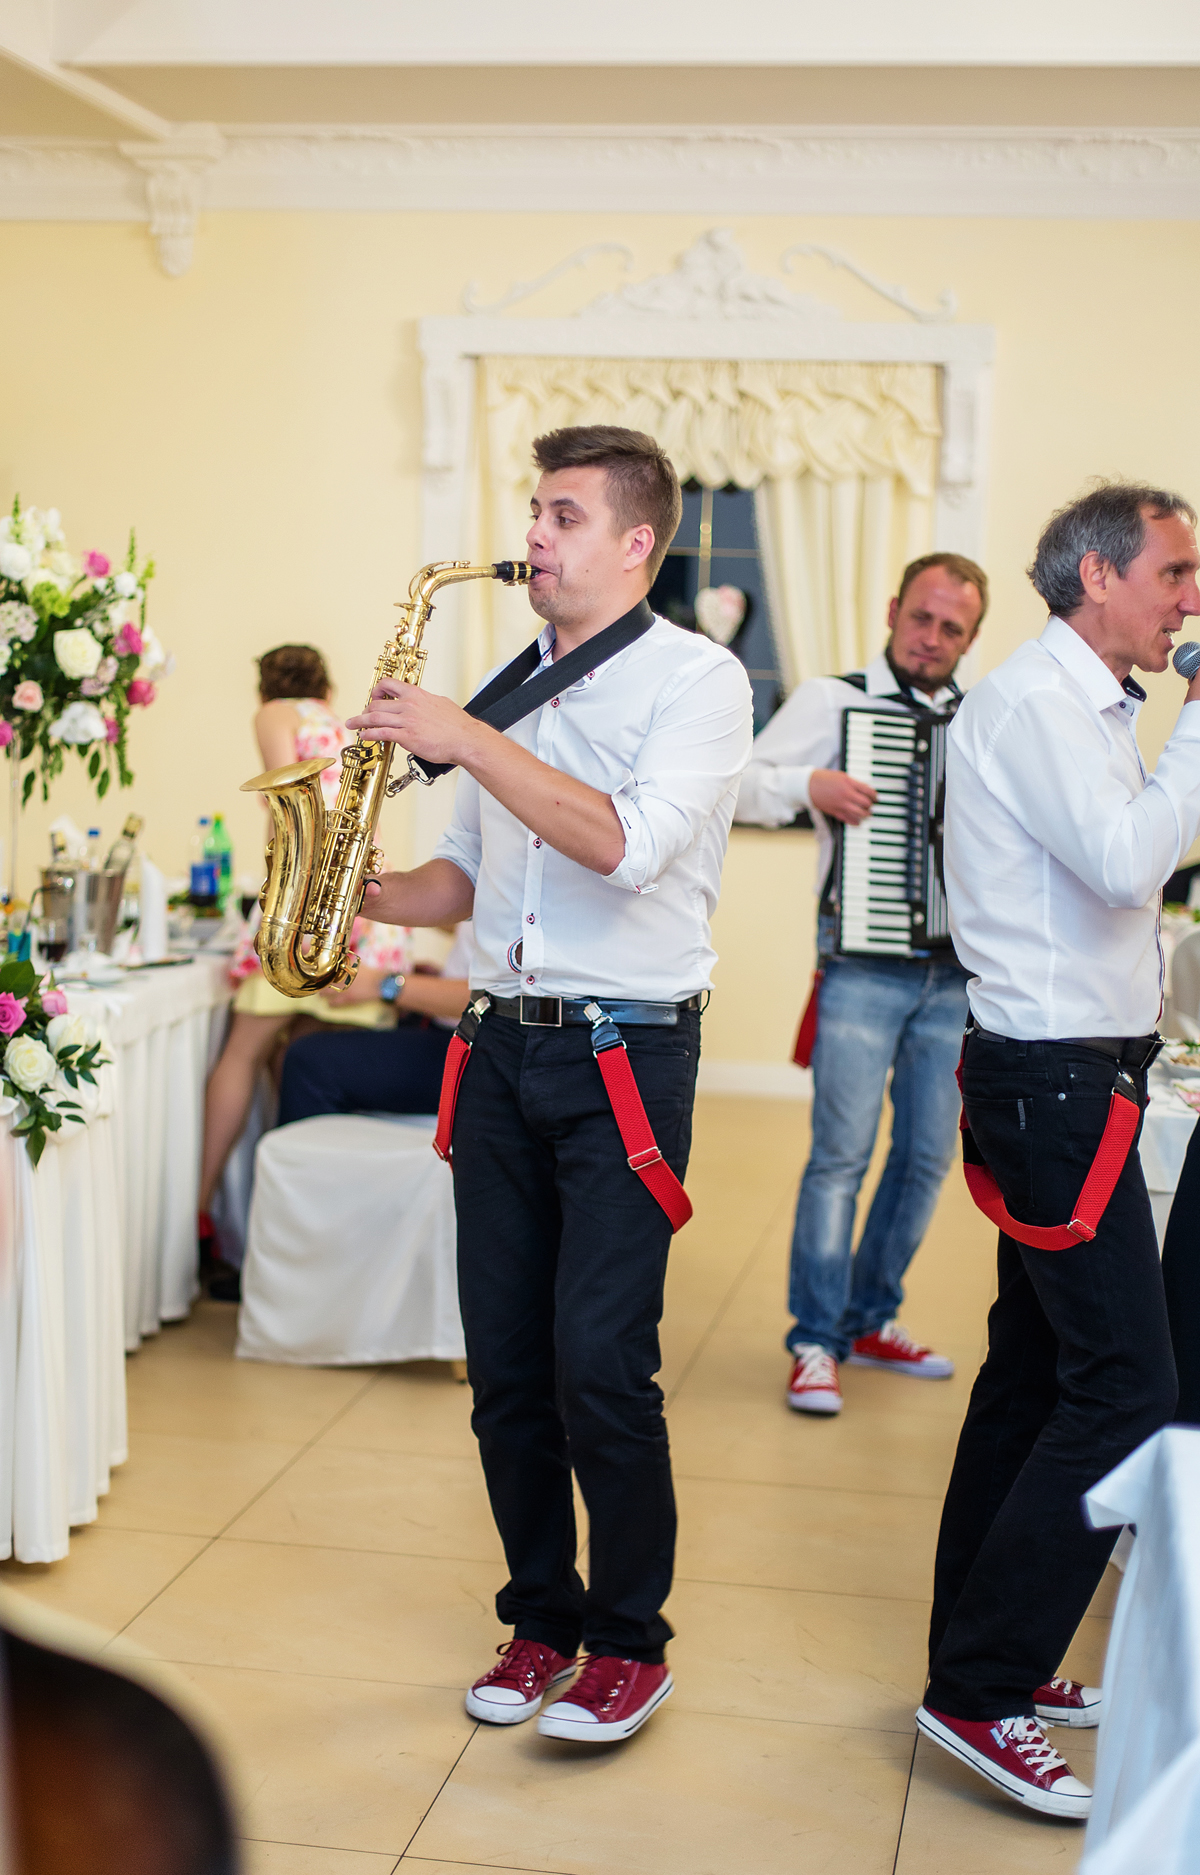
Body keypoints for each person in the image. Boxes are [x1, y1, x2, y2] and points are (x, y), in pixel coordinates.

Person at [351, 425, 753, 1745]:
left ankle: (631, 1642)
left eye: (564, 515)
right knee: (509, 1366)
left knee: (601, 1365)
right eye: (534, 509)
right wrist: (366, 892)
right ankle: (541, 1617)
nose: (534, 533)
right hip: (499, 1046)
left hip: (625, 1053)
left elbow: (626, 846)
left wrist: (468, 736)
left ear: (637, 542)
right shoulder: (512, 685)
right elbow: (467, 878)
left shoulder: (700, 680)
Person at [918, 482, 1200, 1820]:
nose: (1190, 599)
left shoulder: (1084, 707)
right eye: (1174, 573)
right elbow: (1128, 866)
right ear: (1097, 576)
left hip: (1076, 1078)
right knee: (1127, 1387)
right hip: (1055, 1087)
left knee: (1034, 1378)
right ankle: (982, 1690)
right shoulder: (1036, 704)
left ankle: (974, 1658)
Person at [735, 553, 987, 1415]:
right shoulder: (831, 700)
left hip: (956, 976)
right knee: (840, 1155)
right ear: (892, 611)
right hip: (859, 965)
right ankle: (815, 1336)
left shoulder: (982, 720)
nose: (931, 638)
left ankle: (870, 1317)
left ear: (970, 638)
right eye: (921, 617)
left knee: (925, 1157)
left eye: (952, 628)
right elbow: (738, 784)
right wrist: (808, 783)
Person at [198, 643, 409, 1294]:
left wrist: (285, 890)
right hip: (353, 901)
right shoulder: (337, 720)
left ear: (266, 683)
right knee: (299, 1061)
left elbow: (280, 796)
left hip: (304, 902)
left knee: (241, 1054)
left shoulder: (274, 713)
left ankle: (197, 1215)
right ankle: (289, 1239)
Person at [277, 923, 472, 1125]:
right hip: (450, 1028)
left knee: (309, 1063)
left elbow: (487, 1000)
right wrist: (435, 984)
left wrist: (382, 984)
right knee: (294, 1042)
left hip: (473, 1054)